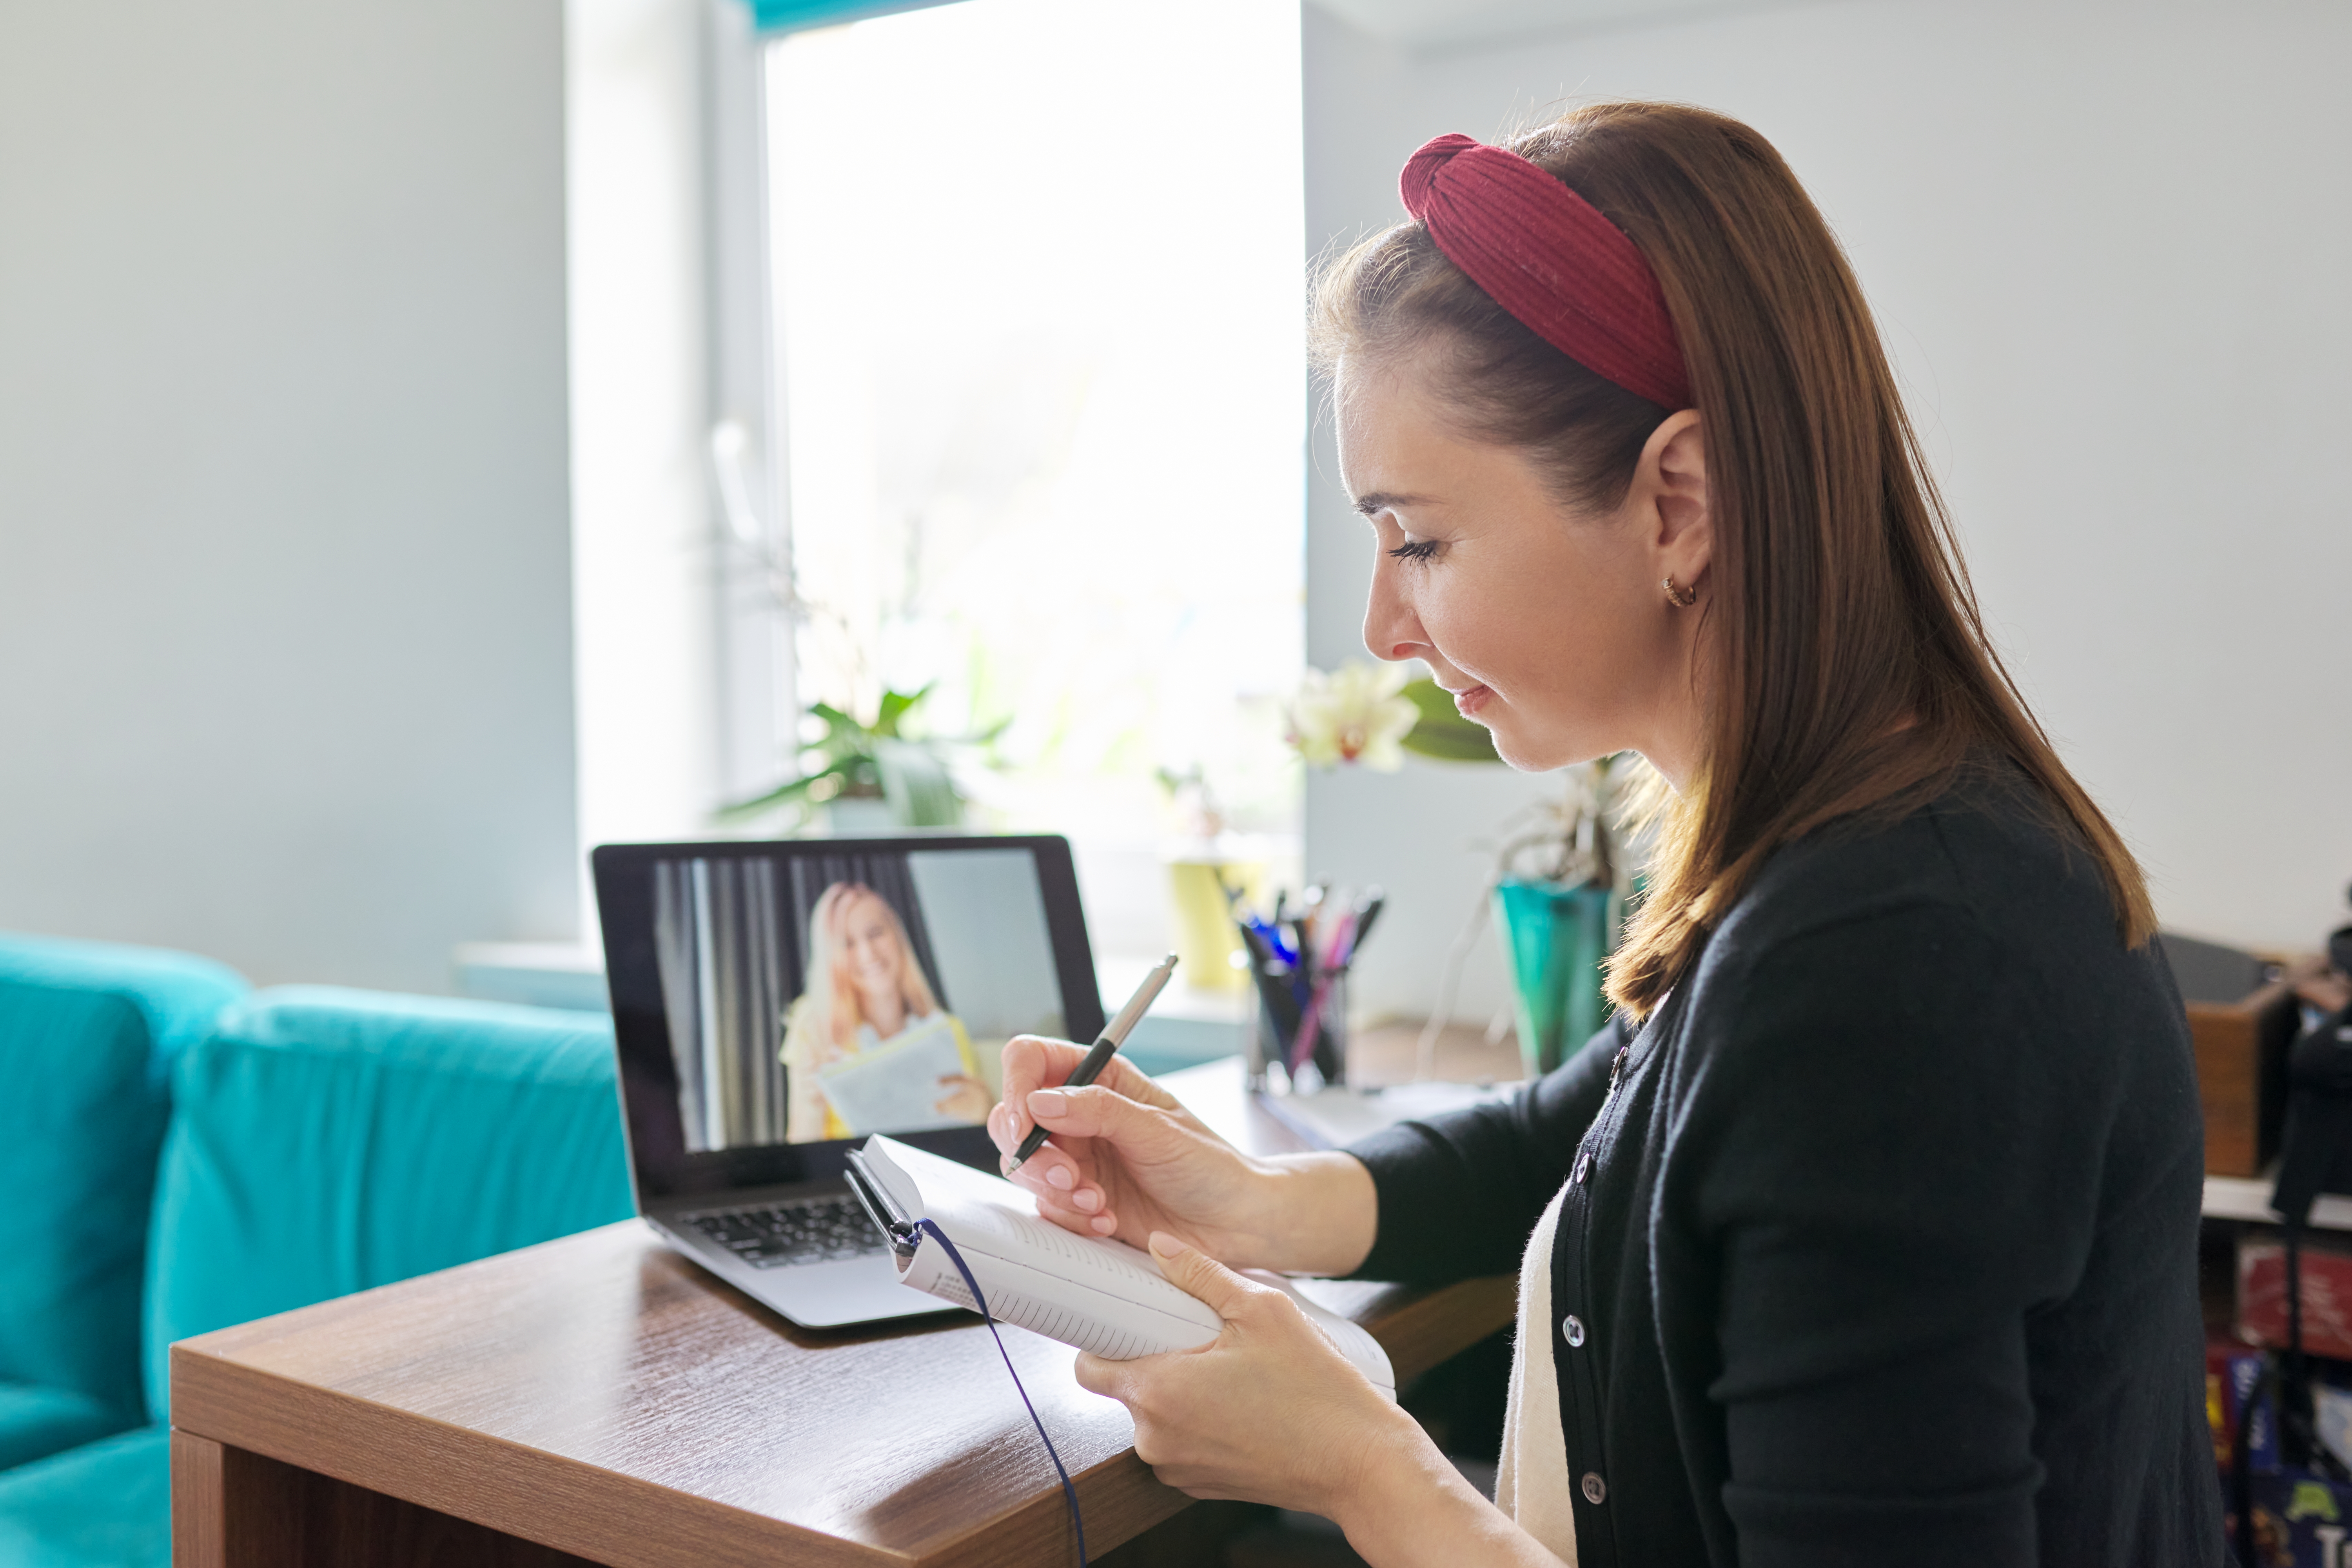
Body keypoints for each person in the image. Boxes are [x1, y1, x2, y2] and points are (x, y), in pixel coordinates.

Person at [987, 102, 2219, 1567]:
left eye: (1420, 540)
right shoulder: (1832, 857)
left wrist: (1369, 1471)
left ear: (1676, 501)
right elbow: (1589, 1132)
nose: (1385, 628)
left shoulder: (1894, 962)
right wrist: (1258, 1202)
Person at [781, 881, 991, 1142]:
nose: (868, 954)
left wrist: (983, 1111)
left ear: (897, 935)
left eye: (876, 933)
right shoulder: (812, 1022)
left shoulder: (948, 1029)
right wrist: (811, 1103)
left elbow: (973, 1138)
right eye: (848, 943)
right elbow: (800, 1148)